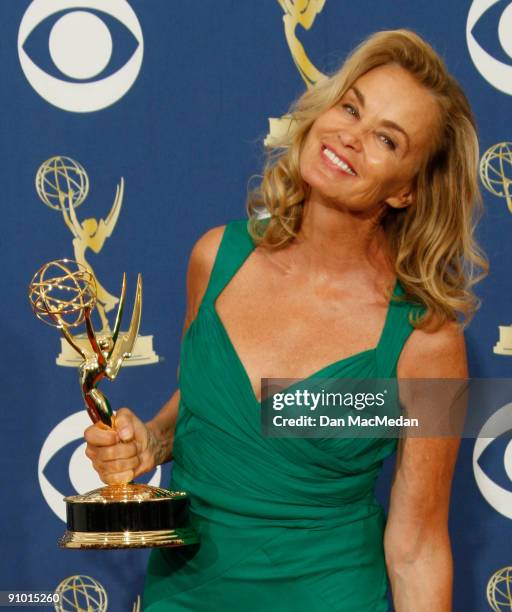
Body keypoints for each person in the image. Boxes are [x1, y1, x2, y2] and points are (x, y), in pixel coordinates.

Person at [84, 29, 487, 611]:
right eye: (351, 107)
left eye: (386, 140)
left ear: (407, 191)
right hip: (184, 595)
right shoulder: (213, 259)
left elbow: (418, 545)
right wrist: (150, 441)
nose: (350, 137)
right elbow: (212, 412)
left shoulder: (427, 341)